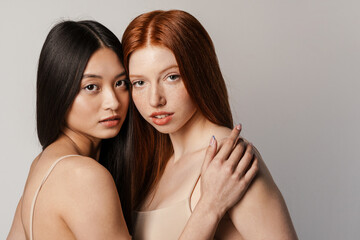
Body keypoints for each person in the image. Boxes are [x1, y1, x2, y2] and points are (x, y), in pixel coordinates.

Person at [7, 20, 258, 240]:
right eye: (91, 87)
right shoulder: (84, 176)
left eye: (121, 83)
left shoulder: (42, 164)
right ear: (57, 91)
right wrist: (210, 207)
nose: (113, 102)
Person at [122, 9, 298, 239]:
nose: (155, 99)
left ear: (199, 73)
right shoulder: (153, 167)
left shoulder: (230, 160)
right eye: (139, 82)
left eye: (172, 77)